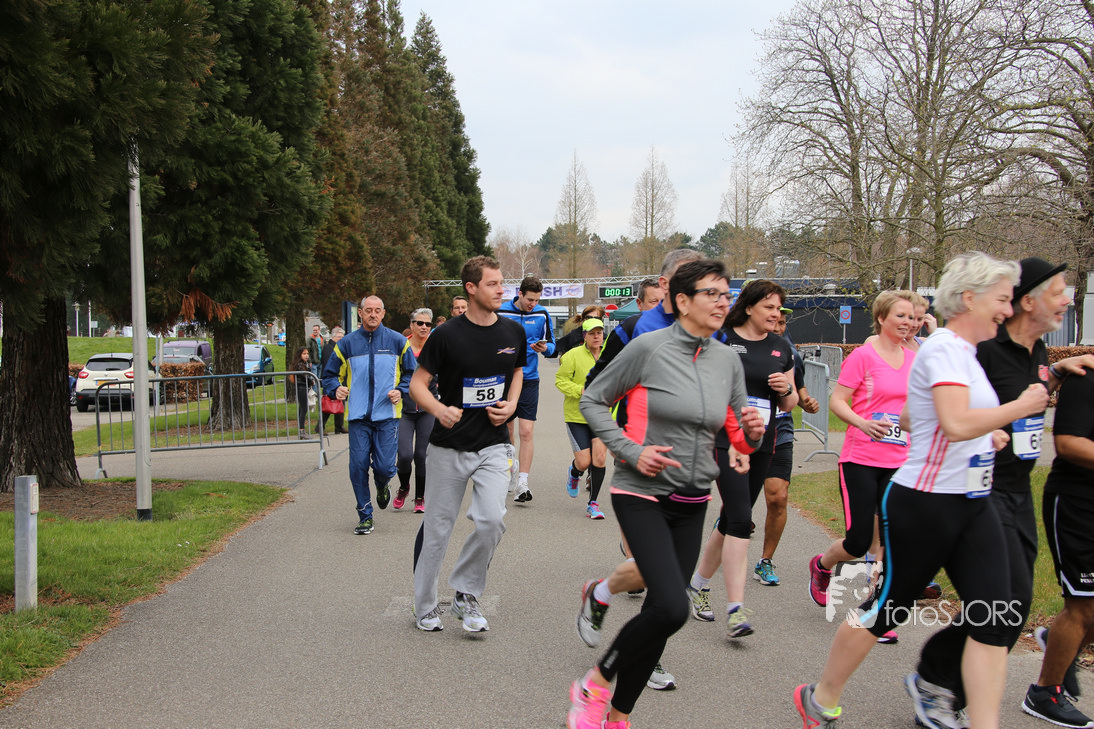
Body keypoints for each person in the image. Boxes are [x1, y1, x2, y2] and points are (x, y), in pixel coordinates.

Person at [794, 252, 1050, 729]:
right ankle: (821, 695)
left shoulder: (964, 353)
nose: (1008, 308)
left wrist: (985, 432)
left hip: (974, 501)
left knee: (995, 615)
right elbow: (954, 423)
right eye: (1001, 299)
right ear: (969, 298)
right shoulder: (945, 348)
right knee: (888, 608)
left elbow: (917, 417)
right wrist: (1016, 409)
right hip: (926, 503)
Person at [566, 259, 765, 729]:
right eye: (711, 293)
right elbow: (593, 399)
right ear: (682, 301)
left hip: (692, 499)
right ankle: (595, 682)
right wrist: (629, 450)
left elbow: (738, 437)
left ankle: (617, 718)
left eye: (726, 294)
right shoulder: (649, 348)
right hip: (642, 492)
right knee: (674, 606)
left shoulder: (727, 361)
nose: (723, 302)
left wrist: (752, 436)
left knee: (662, 616)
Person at [910, 258, 1094, 726]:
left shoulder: (1036, 352)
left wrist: (1055, 373)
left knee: (1014, 603)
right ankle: (937, 683)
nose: (1067, 300)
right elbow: (935, 412)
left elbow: (1024, 397)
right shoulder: (984, 349)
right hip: (980, 489)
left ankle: (941, 681)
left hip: (1017, 491)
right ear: (1027, 300)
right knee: (1002, 605)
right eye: (1058, 291)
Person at [574, 248, 705, 693]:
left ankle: (602, 592)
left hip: (689, 471)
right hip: (641, 468)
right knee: (661, 577)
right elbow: (595, 390)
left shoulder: (712, 334)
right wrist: (623, 444)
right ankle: (644, 658)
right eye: (690, 278)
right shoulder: (634, 330)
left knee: (665, 575)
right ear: (666, 284)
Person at [410, 256, 526, 633]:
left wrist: (511, 404)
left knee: (492, 521)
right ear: (471, 288)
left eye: (502, 283)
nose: (501, 290)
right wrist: (438, 409)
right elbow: (417, 385)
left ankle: (465, 593)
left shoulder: (513, 332)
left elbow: (518, 372)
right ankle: (425, 606)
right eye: (493, 284)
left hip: (493, 445)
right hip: (449, 447)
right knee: (438, 529)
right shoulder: (446, 335)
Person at [686, 279, 797, 638]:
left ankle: (697, 585)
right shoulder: (721, 339)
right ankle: (736, 609)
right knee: (741, 519)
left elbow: (790, 403)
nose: (775, 314)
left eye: (778, 309)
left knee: (733, 516)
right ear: (749, 307)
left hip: (761, 441)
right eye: (769, 307)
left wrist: (786, 389)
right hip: (723, 439)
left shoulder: (781, 347)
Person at [807, 291, 917, 645]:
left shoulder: (914, 360)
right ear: (881, 318)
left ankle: (873, 610)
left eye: (912, 317)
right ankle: (822, 565)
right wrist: (863, 423)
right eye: (901, 315)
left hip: (899, 460)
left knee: (890, 536)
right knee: (857, 542)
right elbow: (838, 400)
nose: (908, 322)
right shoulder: (864, 357)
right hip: (861, 458)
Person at [1025, 364, 1094, 728]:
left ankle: (1059, 641)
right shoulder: (1087, 378)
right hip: (1079, 502)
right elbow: (1068, 442)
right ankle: (1044, 693)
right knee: (1085, 604)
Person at [322, 296, 415, 536]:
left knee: (384, 467)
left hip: (388, 416)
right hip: (358, 418)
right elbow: (329, 375)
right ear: (361, 313)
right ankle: (365, 515)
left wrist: (401, 390)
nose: (373, 314)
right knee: (358, 466)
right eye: (368, 310)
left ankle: (382, 484)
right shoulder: (346, 344)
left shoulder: (398, 341)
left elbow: (411, 373)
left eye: (377, 310)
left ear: (383, 313)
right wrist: (335, 388)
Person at [756, 307, 820, 587]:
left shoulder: (790, 354)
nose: (778, 327)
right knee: (740, 503)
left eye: (782, 323)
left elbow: (800, 392)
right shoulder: (739, 347)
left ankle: (765, 560)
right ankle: (727, 528)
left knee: (778, 496)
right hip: (747, 431)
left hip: (780, 429)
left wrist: (808, 402)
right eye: (773, 320)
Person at [498, 275, 556, 503]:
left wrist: (544, 348)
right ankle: (511, 468)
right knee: (507, 430)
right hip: (505, 379)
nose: (533, 304)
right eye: (530, 299)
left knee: (527, 431)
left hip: (530, 379)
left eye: (537, 300)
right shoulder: (502, 311)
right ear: (520, 294)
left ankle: (523, 483)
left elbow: (553, 346)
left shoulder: (542, 314)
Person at [555, 317, 608, 519]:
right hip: (577, 415)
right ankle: (575, 472)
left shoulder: (611, 355)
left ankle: (593, 503)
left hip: (602, 414)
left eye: (599, 333)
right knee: (584, 462)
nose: (596, 337)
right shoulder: (573, 355)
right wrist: (580, 390)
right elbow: (560, 380)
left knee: (600, 457)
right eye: (591, 333)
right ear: (584, 336)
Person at [395, 309, 436, 514]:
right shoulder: (402, 346)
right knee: (404, 455)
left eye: (428, 324)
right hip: (405, 409)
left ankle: (420, 497)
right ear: (411, 325)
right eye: (420, 323)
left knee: (422, 455)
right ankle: (404, 487)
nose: (424, 327)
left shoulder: (435, 346)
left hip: (427, 408)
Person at [319, 326, 346, 434]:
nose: (341, 339)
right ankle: (320, 426)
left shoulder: (340, 347)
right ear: (333, 337)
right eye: (339, 337)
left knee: (340, 402)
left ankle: (339, 426)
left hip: (340, 378)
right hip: (331, 379)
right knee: (328, 403)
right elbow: (328, 364)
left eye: (342, 337)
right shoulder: (328, 348)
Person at [288, 347, 312, 440]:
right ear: (300, 355)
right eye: (304, 354)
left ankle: (301, 429)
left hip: (303, 387)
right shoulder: (300, 365)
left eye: (307, 354)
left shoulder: (306, 364)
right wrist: (311, 381)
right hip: (301, 387)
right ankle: (302, 430)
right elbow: (304, 376)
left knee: (302, 408)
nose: (306, 355)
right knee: (304, 408)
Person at [307, 324, 324, 392]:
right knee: (314, 377)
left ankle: (317, 392)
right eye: (314, 330)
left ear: (319, 330)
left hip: (320, 361)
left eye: (316, 330)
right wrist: (309, 361)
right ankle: (313, 392)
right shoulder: (310, 339)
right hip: (314, 361)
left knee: (318, 378)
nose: (315, 332)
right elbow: (308, 350)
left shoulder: (322, 339)